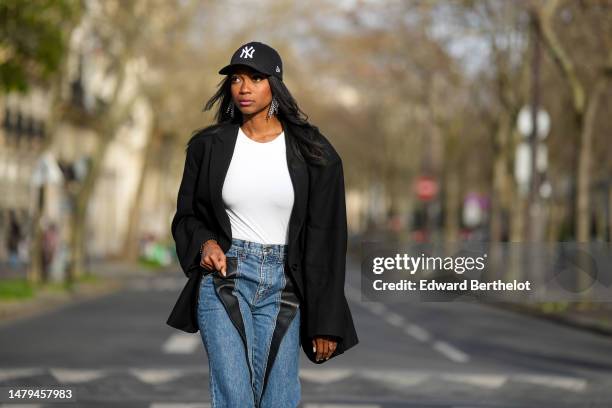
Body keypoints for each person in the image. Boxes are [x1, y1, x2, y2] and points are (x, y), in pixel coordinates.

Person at [170, 41, 358, 408]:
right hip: (225, 280)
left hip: (286, 286)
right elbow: (186, 216)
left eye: (255, 78)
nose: (243, 88)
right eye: (237, 79)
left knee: (279, 399)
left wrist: (326, 321)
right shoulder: (207, 147)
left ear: (276, 84)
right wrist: (205, 244)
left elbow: (329, 240)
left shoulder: (315, 153)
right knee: (234, 396)